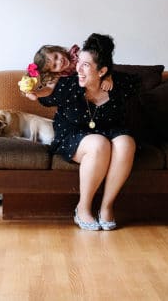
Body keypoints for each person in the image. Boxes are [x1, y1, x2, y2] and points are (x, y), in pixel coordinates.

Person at [37, 33, 139, 231]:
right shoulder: (69, 84)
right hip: (73, 133)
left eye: (86, 65)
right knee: (98, 143)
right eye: (79, 63)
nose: (78, 70)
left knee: (127, 143)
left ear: (102, 71)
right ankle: (83, 208)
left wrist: (111, 77)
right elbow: (45, 97)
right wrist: (33, 91)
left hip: (110, 130)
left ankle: (107, 207)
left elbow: (138, 83)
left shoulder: (116, 83)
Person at [23, 44, 112, 100]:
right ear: (52, 72)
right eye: (54, 66)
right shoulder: (58, 74)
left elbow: (102, 63)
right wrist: (37, 93)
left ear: (58, 50)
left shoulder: (77, 54)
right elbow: (49, 89)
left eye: (56, 56)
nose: (59, 62)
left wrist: (108, 78)